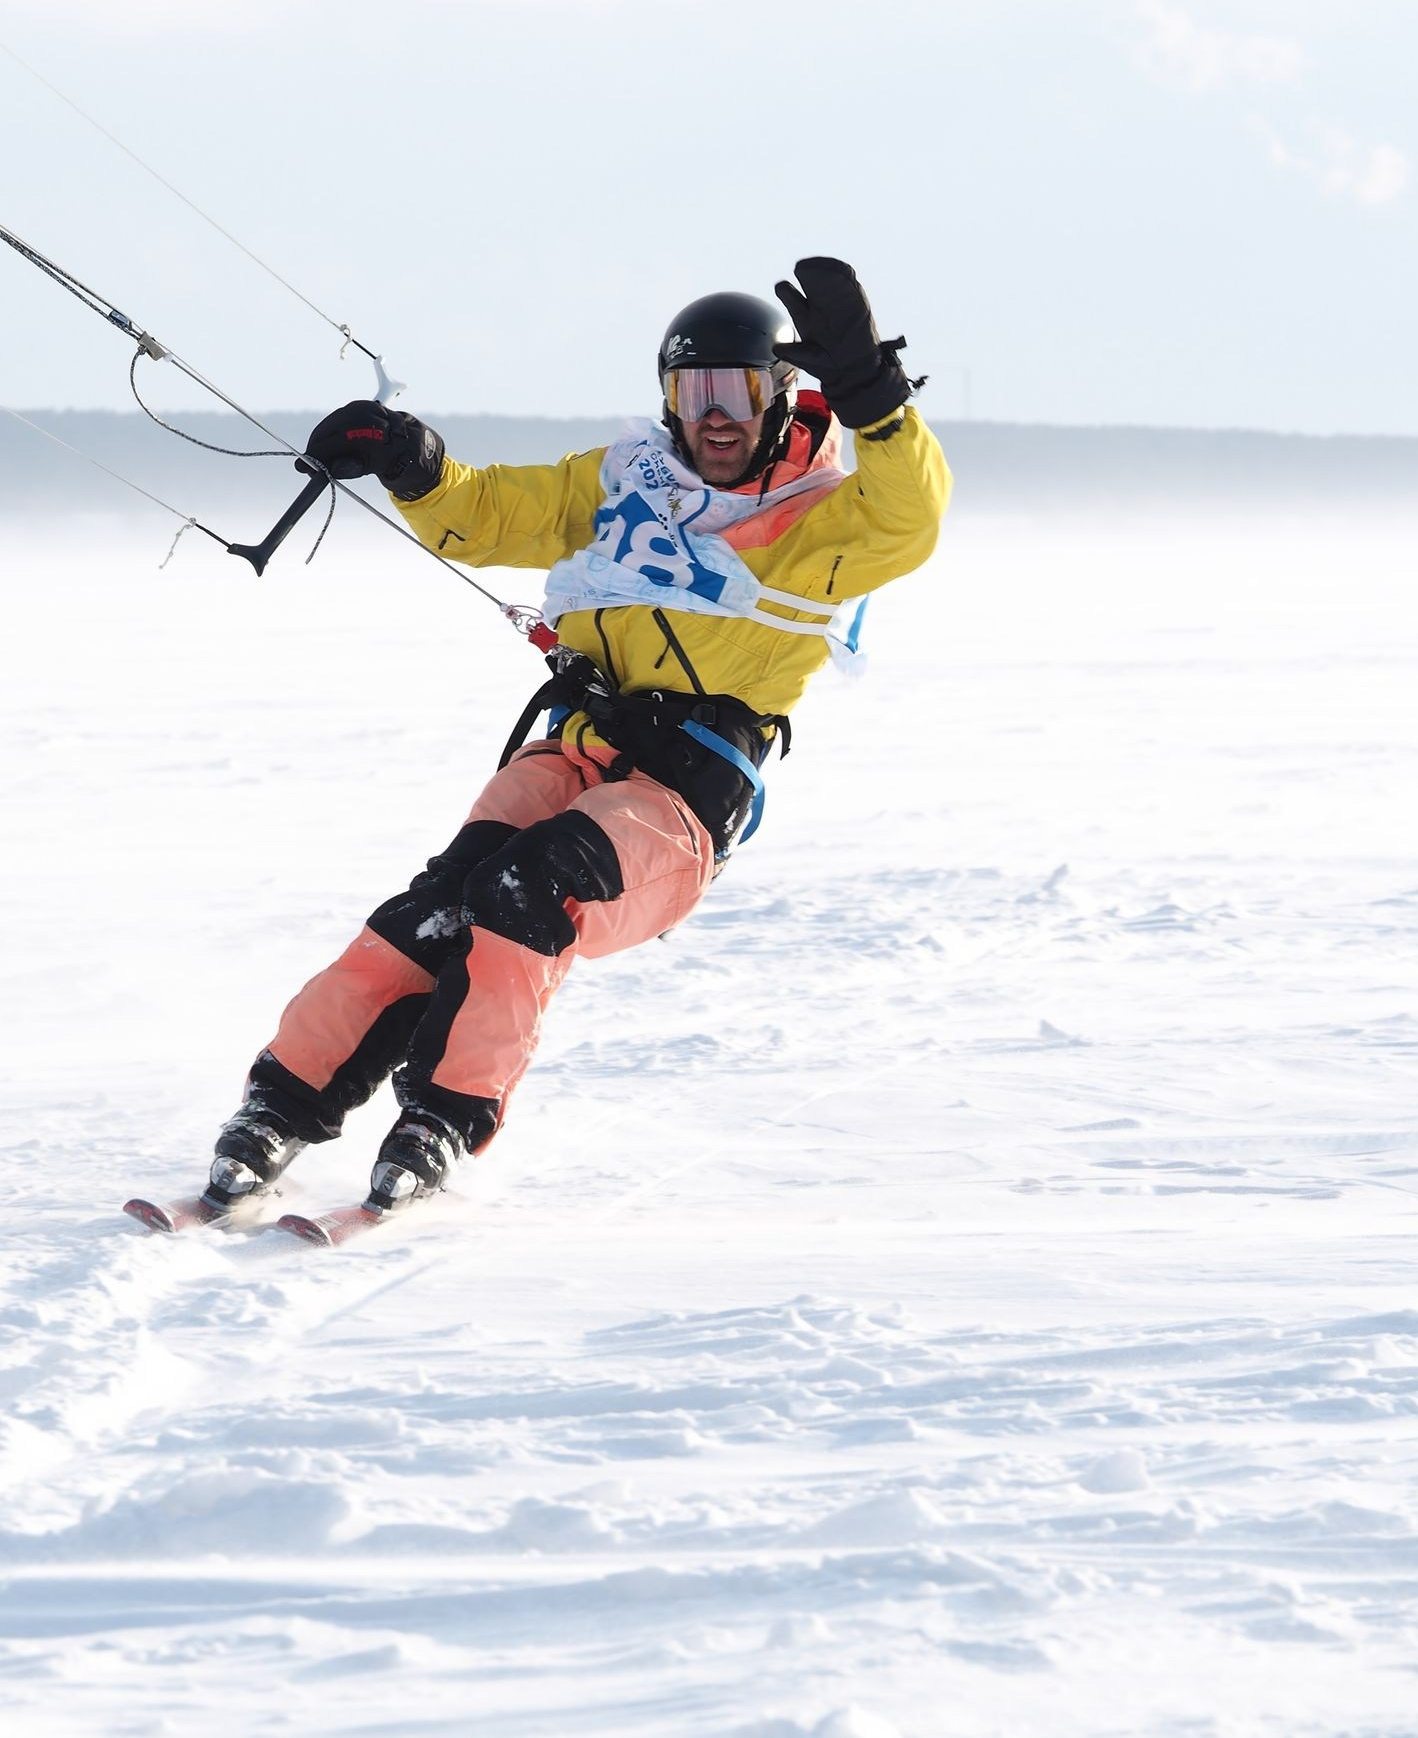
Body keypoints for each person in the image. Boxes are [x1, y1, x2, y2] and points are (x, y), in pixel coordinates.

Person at [202, 256, 952, 1215]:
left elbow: (913, 512)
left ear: (780, 396)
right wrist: (407, 456)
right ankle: (281, 1104)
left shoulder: (822, 517)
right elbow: (484, 513)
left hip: (683, 796)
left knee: (526, 888)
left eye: (741, 391)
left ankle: (442, 1117)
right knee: (434, 910)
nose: (715, 415)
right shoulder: (621, 484)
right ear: (669, 398)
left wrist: (875, 396)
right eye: (695, 392)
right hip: (578, 746)